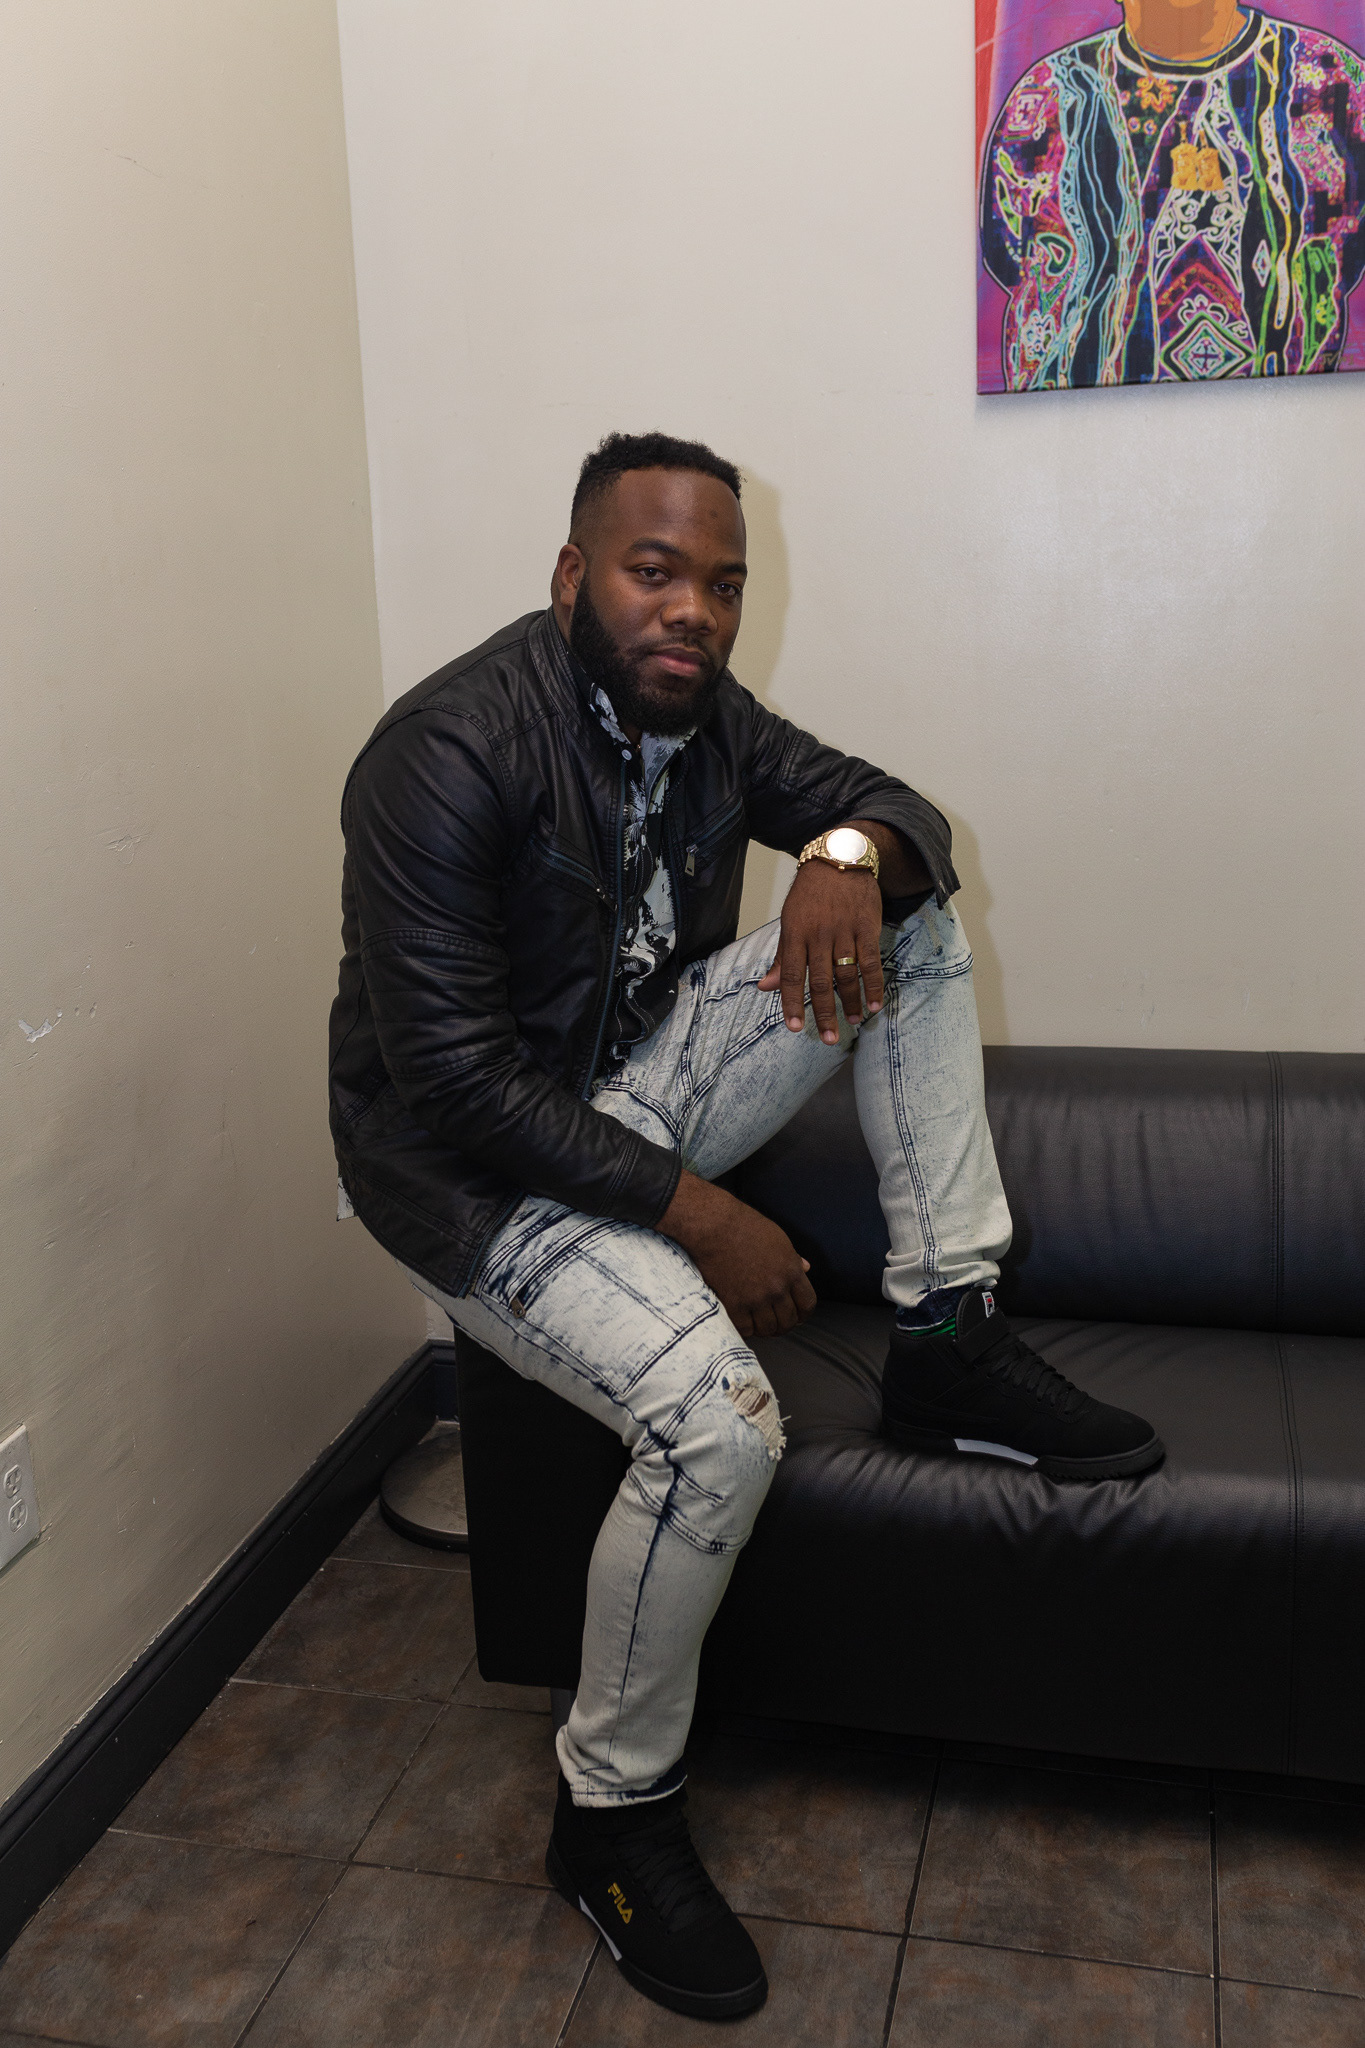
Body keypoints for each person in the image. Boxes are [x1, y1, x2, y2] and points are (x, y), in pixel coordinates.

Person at [328, 431, 1163, 2021]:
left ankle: (946, 1333)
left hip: (628, 1093)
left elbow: (899, 813)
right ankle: (609, 1811)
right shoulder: (446, 752)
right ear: (571, 577)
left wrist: (842, 852)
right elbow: (453, 1082)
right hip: (470, 1172)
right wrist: (699, 1213)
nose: (692, 612)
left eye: (720, 584)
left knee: (911, 925)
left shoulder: (705, 718)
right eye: (654, 572)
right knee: (720, 1427)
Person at [980, 1, 1365, 388]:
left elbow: (1348, 257)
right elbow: (1008, 257)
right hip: (1077, 416)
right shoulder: (1050, 94)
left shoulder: (1327, 79)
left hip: (1288, 408)